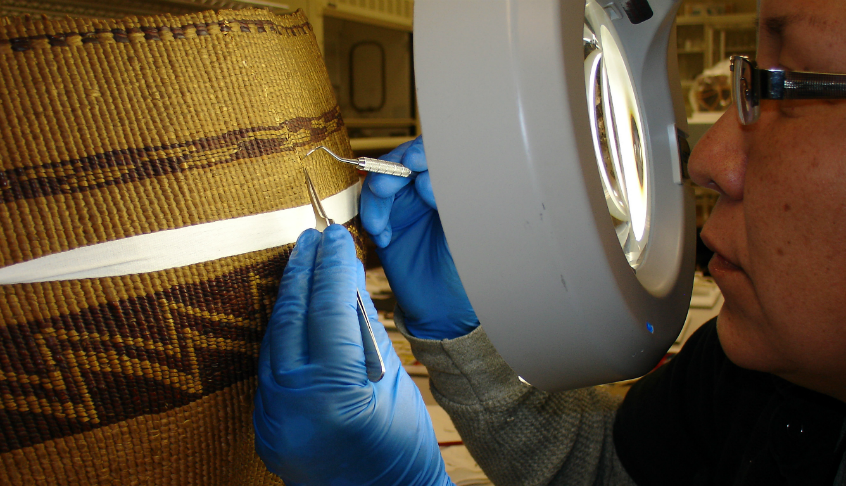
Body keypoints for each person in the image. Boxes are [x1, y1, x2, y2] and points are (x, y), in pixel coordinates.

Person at [252, 0, 846, 484]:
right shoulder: (759, 372)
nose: (704, 161)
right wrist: (465, 340)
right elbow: (608, 471)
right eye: (747, 82)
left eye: (776, 89)